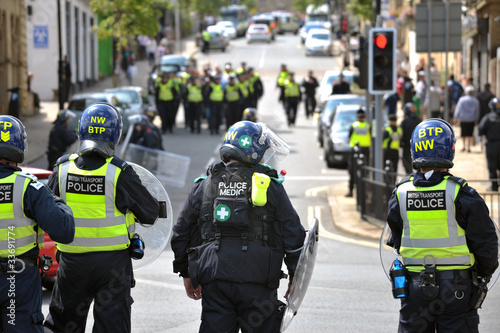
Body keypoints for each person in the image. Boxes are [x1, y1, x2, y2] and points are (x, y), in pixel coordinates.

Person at [171, 121, 306, 332]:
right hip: (259, 281)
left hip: (215, 279)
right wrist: (296, 279)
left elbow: (181, 233)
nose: (263, 158)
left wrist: (186, 273)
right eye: (262, 152)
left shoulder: (204, 185)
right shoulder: (270, 187)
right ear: (252, 152)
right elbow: (294, 236)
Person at [44, 103, 160, 333]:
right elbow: (150, 212)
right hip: (112, 267)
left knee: (63, 325)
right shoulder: (119, 172)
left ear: (81, 130)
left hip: (71, 263)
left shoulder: (63, 169)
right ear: (115, 134)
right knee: (112, 326)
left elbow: (46, 212)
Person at [386, 118, 498, 332]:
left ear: (414, 149)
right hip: (457, 290)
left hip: (414, 288)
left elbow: (397, 241)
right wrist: (482, 275)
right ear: (450, 150)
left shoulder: (400, 193)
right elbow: (486, 245)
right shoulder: (462, 194)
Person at [0, 115, 73, 333]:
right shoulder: (29, 188)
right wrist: (57, 201)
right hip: (18, 281)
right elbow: (64, 230)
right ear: (20, 144)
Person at [346, 108, 371, 197]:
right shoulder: (368, 126)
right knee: (365, 172)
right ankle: (364, 194)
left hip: (355, 151)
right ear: (364, 117)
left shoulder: (353, 125)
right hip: (365, 151)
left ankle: (351, 191)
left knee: (352, 171)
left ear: (357, 117)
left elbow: (349, 138)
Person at [478, 97, 500, 191]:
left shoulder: (488, 117)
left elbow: (480, 129)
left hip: (491, 145)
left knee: (492, 164)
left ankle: (494, 186)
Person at [453, 85, 480, 152]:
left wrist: (455, 118)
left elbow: (458, 109)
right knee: (470, 133)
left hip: (463, 118)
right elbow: (477, 111)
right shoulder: (476, 101)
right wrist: (476, 119)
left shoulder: (462, 99)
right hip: (471, 119)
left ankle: (464, 146)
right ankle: (468, 147)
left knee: (463, 133)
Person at [400, 103, 421, 174]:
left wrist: (401, 143)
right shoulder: (419, 121)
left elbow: (401, 134)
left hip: (406, 146)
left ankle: (410, 175)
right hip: (418, 146)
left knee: (406, 162)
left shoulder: (404, 122)